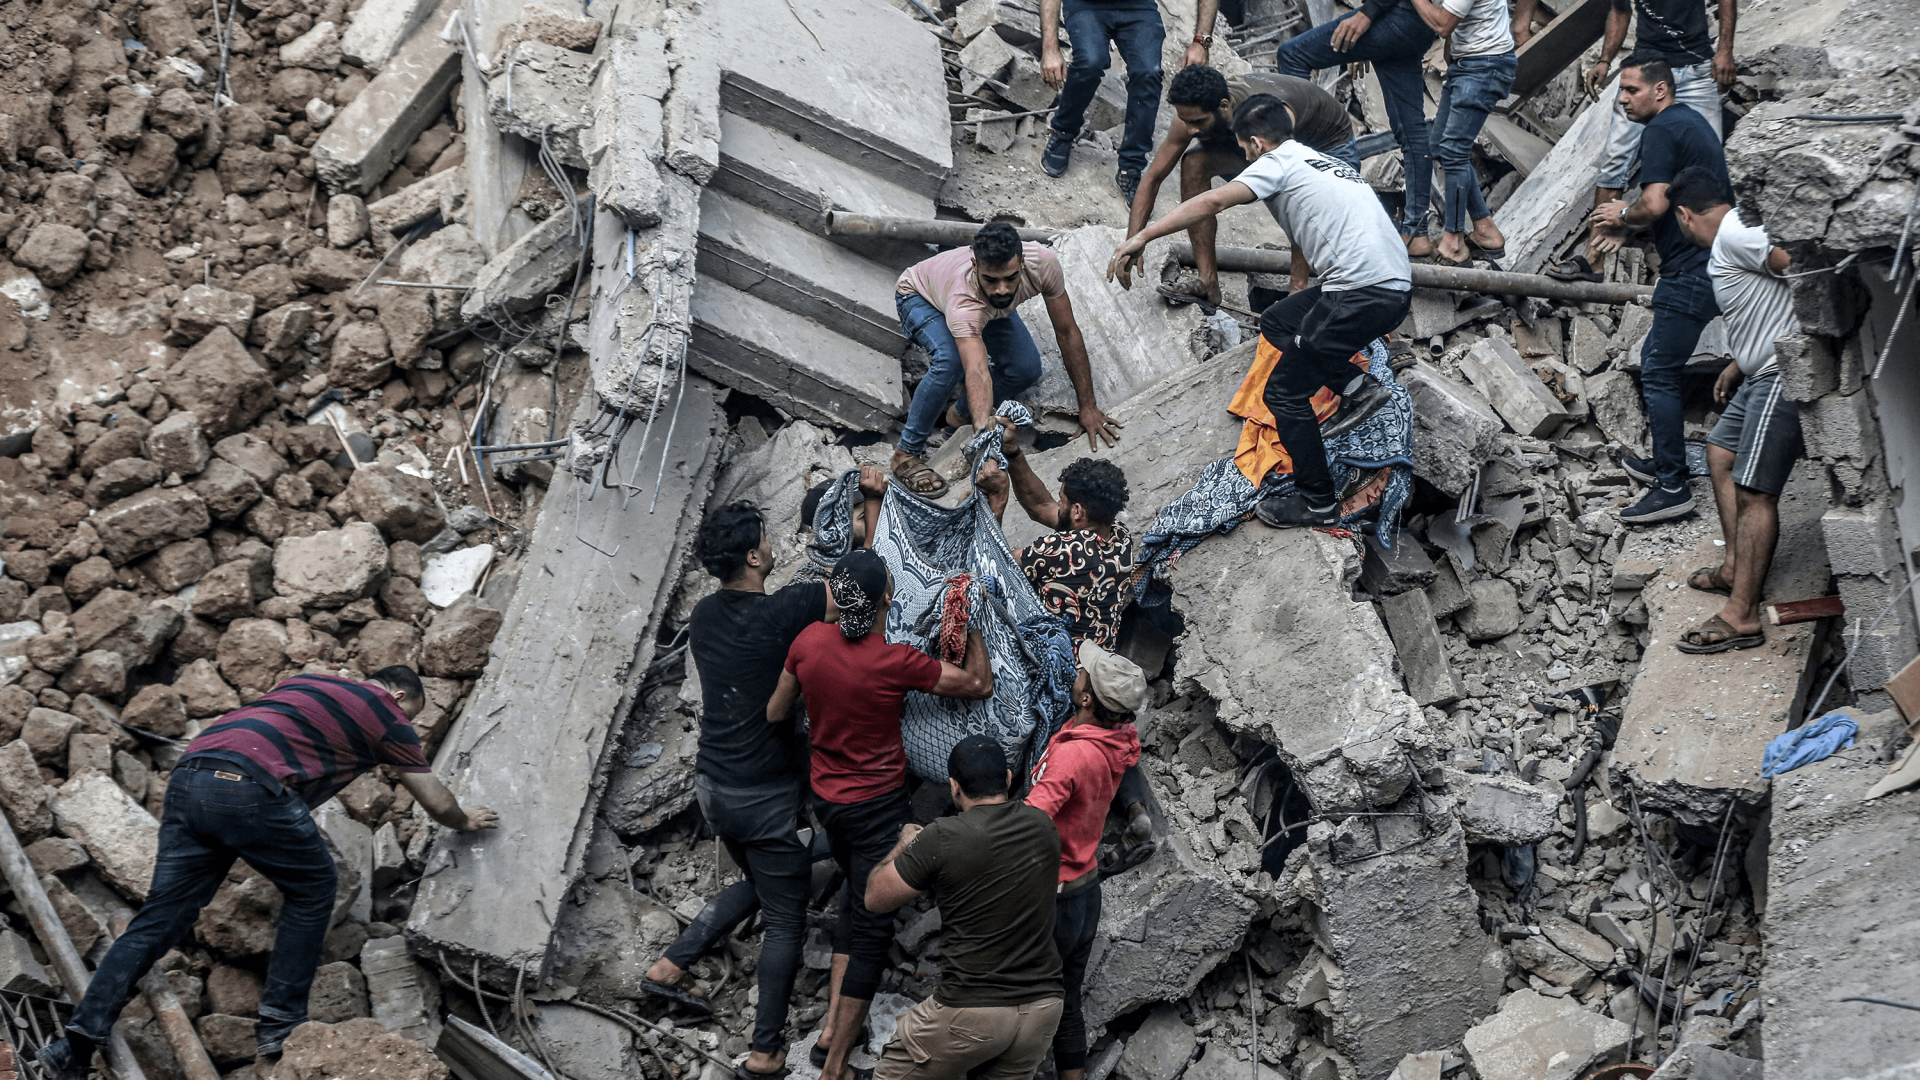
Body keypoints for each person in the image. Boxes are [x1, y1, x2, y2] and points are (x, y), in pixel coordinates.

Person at [36, 668, 497, 1079]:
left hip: (190, 777)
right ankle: (279, 1028)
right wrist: (465, 820)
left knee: (158, 920)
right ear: (397, 696)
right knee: (314, 888)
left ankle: (73, 1046)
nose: (407, 728)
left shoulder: (306, 681)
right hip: (250, 786)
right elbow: (434, 801)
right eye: (411, 716)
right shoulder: (388, 713)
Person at [1108, 95, 1412, 529]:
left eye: (1245, 151)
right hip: (1391, 287)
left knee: (1283, 394)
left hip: (1359, 293)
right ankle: (1358, 386)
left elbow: (1212, 202)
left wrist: (1143, 236)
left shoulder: (1276, 163)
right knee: (1280, 320)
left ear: (1255, 144)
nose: (1246, 159)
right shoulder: (1319, 160)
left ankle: (1319, 502)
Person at [644, 499, 857, 1079]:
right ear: (757, 555)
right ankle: (765, 1052)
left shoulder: (707, 616)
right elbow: (853, 592)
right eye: (766, 539)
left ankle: (671, 965)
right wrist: (863, 518)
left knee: (764, 881)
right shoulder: (787, 609)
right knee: (786, 918)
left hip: (714, 786)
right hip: (763, 798)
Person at [766, 548, 995, 1080]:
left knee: (853, 897)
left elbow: (777, 711)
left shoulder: (807, 643)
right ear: (886, 601)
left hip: (829, 803)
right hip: (876, 809)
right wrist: (975, 626)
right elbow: (977, 683)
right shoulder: (893, 661)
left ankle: (828, 1033)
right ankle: (837, 1067)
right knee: (872, 926)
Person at [864, 736, 1064, 1080]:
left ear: (954, 787)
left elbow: (875, 898)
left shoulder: (942, 836)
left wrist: (903, 845)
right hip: (1042, 1011)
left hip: (972, 1009)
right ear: (1007, 777)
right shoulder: (1043, 826)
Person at [1662, 166, 1802, 653]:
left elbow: (1791, 263)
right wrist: (1738, 365)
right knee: (1720, 450)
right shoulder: (1734, 234)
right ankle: (1733, 569)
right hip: (1759, 368)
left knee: (1753, 487)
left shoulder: (1737, 232)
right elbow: (1767, 300)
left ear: (1684, 214)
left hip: (1783, 371)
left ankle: (1742, 615)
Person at [1586, 57, 1729, 525]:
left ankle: (1672, 486)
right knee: (1660, 364)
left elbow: (1654, 202)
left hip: (1693, 270)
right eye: (1621, 91)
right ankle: (1667, 464)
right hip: (1704, 263)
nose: (1623, 99)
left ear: (1661, 90)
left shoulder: (1661, 130)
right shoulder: (1686, 121)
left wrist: (1620, 216)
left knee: (1658, 369)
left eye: (1630, 90)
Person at [893, 223, 1120, 499]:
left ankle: (955, 414)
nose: (1002, 289)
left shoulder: (1043, 264)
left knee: (1025, 368)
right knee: (950, 362)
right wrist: (985, 443)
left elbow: (1068, 332)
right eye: (991, 279)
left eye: (1010, 278)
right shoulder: (964, 302)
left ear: (1022, 262)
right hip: (919, 297)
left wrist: (1089, 407)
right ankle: (905, 454)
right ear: (975, 265)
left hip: (986, 309)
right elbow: (976, 370)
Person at [1540, 0, 1735, 280]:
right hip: (1646, 68)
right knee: (1615, 161)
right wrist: (1605, 59)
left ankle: (1718, 258)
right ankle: (1593, 258)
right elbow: (1620, 10)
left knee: (1706, 167)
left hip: (1695, 67)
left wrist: (1726, 50)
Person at [1129, 64, 1358, 302]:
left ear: (1224, 106)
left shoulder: (1268, 117)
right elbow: (1153, 177)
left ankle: (1299, 292)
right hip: (1248, 135)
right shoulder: (1193, 116)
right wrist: (1133, 240)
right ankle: (1207, 282)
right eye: (1186, 121)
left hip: (1328, 145)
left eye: (1198, 121)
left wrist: (1295, 294)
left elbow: (1296, 197)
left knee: (1305, 203)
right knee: (1194, 162)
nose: (1190, 129)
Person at [1025, 642, 1147, 1080]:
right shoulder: (1116, 741)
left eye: (1082, 674)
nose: (1077, 672)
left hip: (1053, 899)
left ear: (1086, 698)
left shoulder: (1074, 755)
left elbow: (1031, 822)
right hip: (1085, 891)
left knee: (1021, 998)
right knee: (1068, 999)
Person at [1273, 0, 1437, 255]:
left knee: (1293, 55)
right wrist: (1364, 46)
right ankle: (1417, 233)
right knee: (1410, 129)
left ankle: (1307, 177)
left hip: (1395, 14)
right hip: (1417, 25)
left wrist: (1367, 14)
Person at [1038, 0, 1210, 204]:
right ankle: (1063, 131)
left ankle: (1132, 165)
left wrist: (1201, 41)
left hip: (1138, 8)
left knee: (1149, 73)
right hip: (1086, 5)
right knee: (1090, 62)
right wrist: (1049, 48)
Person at [1405, 0, 1515, 266]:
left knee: (1454, 149)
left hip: (1485, 66)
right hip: (1467, 64)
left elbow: (1443, 24)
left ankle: (1453, 241)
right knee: (1441, 147)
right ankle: (1485, 230)